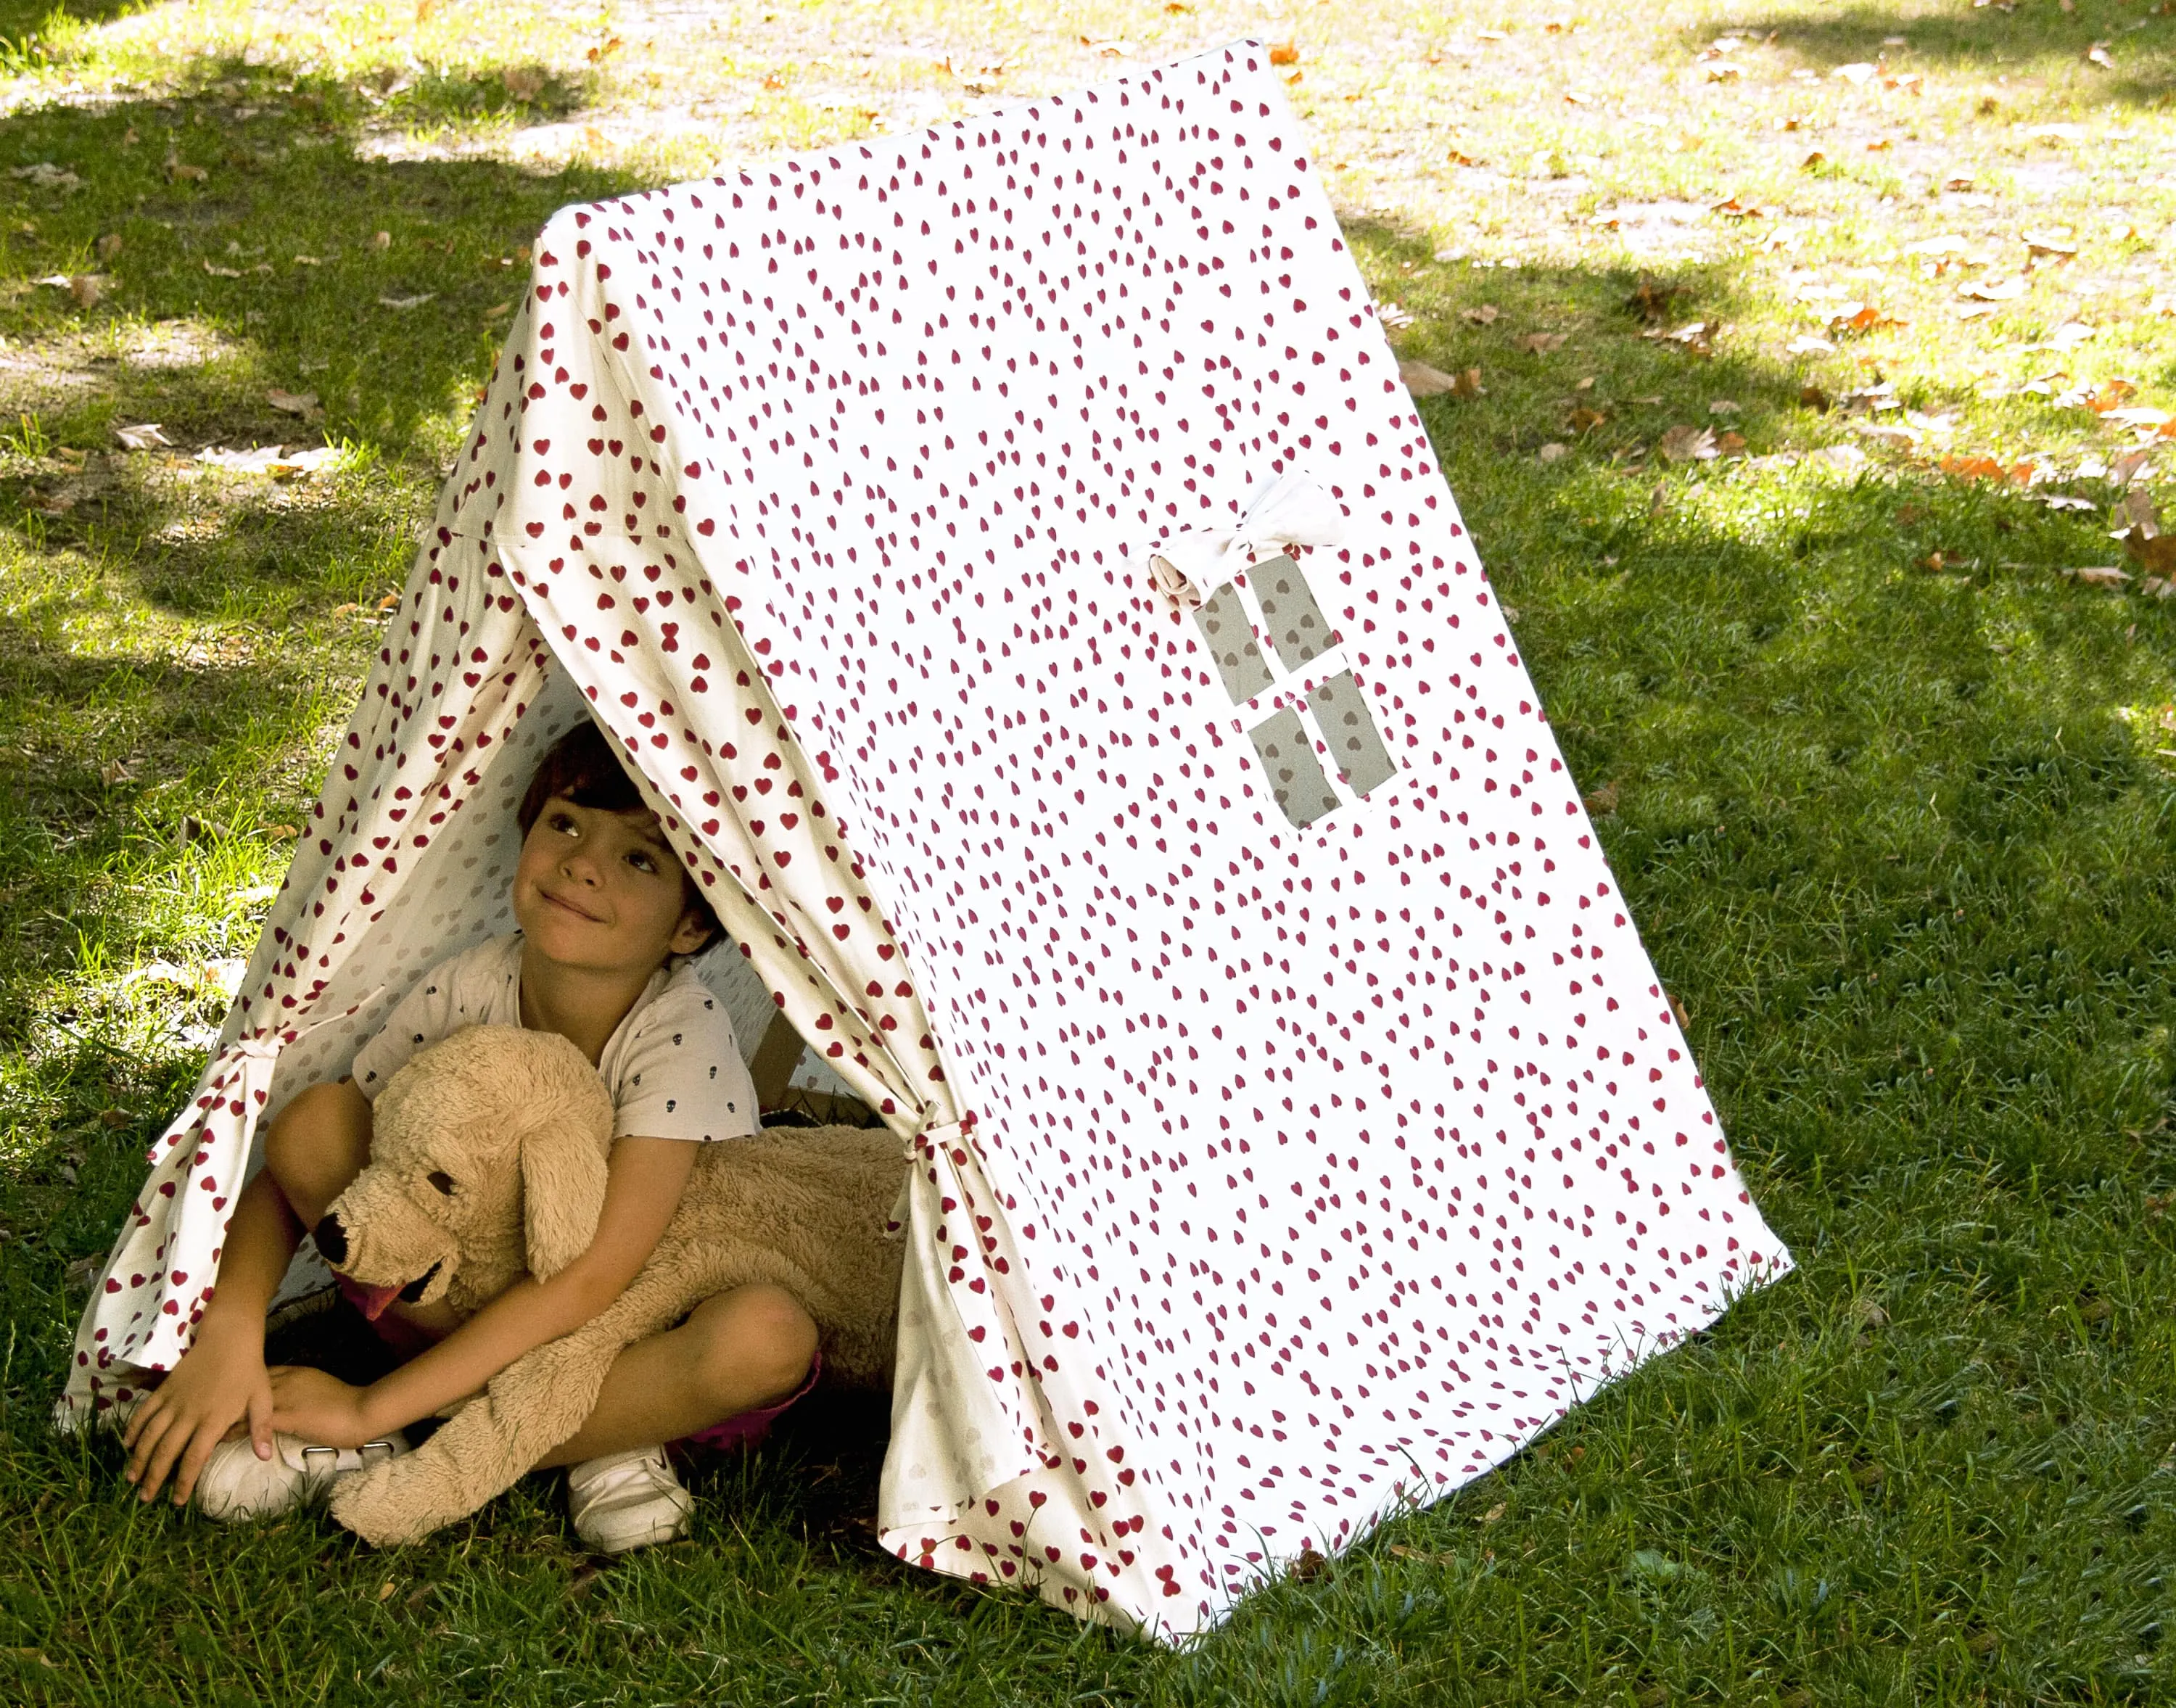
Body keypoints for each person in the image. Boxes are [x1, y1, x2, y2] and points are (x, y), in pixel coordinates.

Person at [120, 722, 819, 1552]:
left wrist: (365, 1406)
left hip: (628, 1324)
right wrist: (230, 1329)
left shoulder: (679, 1037)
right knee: (315, 1125)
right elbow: (298, 1167)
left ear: (689, 928)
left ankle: (450, 1431)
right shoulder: (472, 984)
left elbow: (597, 1277)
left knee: (769, 1337)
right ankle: (545, 1434)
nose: (581, 864)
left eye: (640, 859)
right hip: (469, 1292)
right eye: (565, 823)